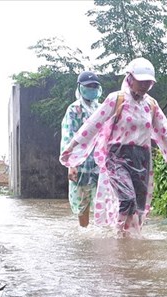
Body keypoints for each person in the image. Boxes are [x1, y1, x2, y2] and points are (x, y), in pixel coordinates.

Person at [60, 57, 167, 237]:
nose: (144, 85)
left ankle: (131, 240)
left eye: (148, 82)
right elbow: (93, 124)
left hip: (142, 158)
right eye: (141, 81)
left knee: (138, 205)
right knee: (127, 198)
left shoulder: (151, 105)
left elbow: (165, 132)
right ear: (130, 78)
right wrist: (71, 150)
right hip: (117, 156)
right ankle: (119, 236)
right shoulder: (116, 99)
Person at [60, 70, 103, 227]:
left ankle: (99, 236)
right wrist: (71, 165)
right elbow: (68, 137)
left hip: (99, 163)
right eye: (88, 86)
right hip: (80, 163)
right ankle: (84, 232)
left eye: (94, 86)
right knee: (82, 201)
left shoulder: (101, 108)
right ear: (80, 87)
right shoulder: (74, 109)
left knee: (102, 199)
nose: (91, 89)